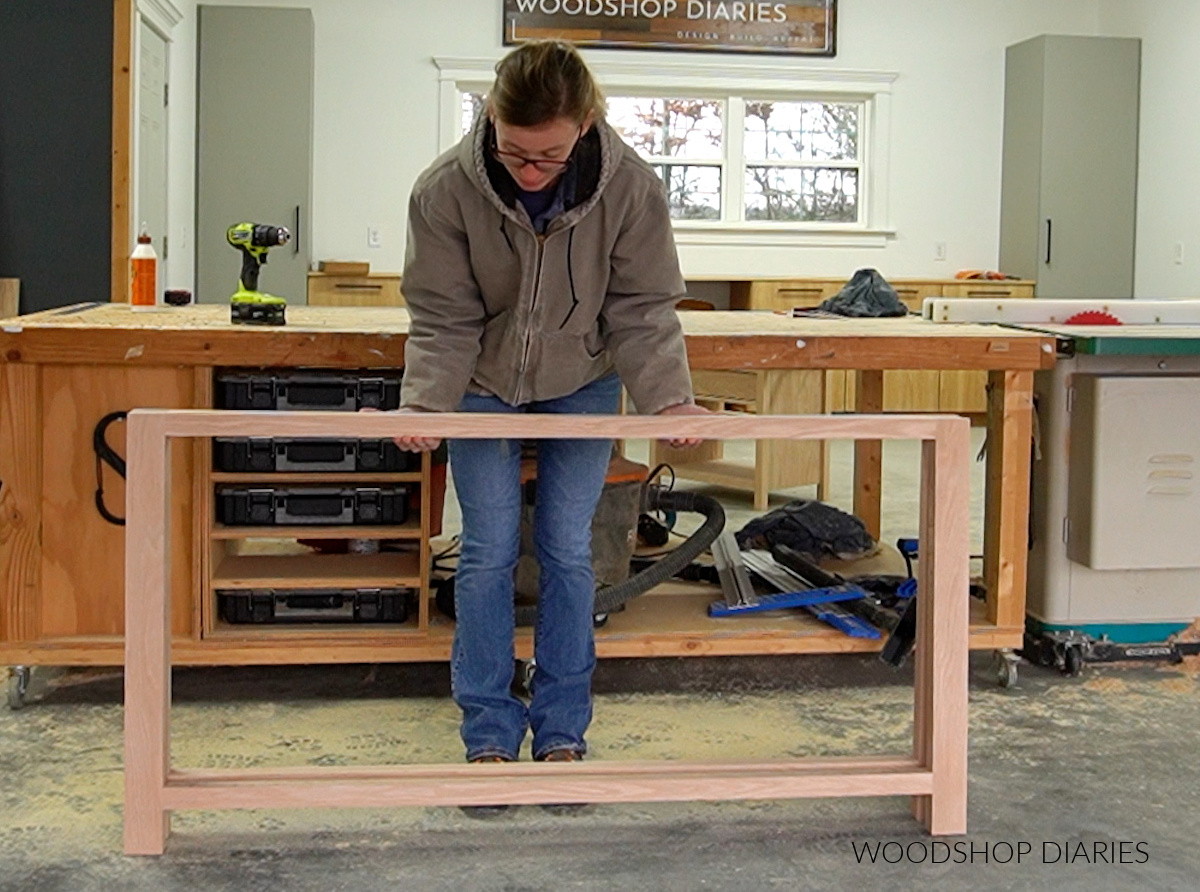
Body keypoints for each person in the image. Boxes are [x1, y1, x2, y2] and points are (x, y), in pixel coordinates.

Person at [396, 40, 709, 777]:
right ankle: (488, 732)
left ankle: (563, 726)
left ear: (587, 124)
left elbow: (641, 308)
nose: (532, 172)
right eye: (515, 154)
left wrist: (669, 398)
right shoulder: (444, 190)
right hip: (480, 384)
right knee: (487, 550)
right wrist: (425, 403)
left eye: (551, 158)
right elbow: (442, 317)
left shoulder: (631, 187)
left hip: (583, 377)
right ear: (490, 120)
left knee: (568, 550)